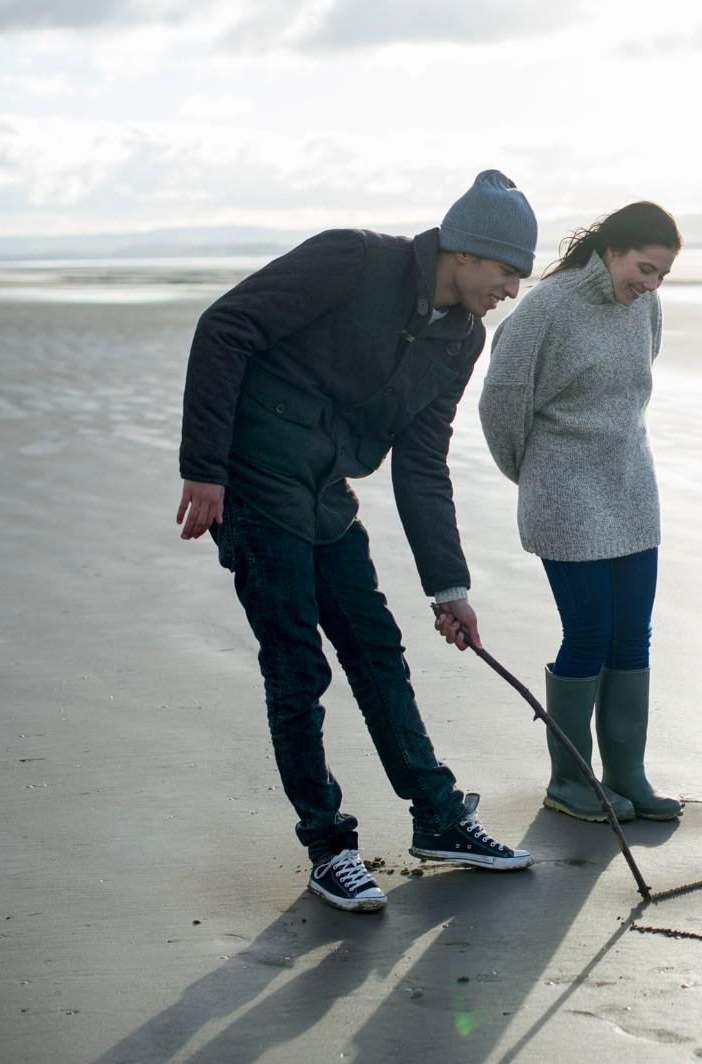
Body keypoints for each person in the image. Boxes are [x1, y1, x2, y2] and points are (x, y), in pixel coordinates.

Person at [176, 170, 536, 913]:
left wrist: (449, 588)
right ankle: (330, 848)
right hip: (255, 480)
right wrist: (204, 469)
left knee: (375, 649)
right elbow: (226, 327)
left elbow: (422, 463)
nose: (512, 288)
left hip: (326, 496)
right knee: (296, 668)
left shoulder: (459, 339)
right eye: (507, 271)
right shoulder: (351, 261)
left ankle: (438, 818)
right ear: (466, 252)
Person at [478, 201, 683, 823]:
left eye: (661, 276)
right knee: (589, 633)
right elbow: (500, 408)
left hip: (630, 488)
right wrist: (537, 477)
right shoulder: (545, 308)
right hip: (564, 494)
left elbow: (635, 387)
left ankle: (629, 776)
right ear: (612, 250)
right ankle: (570, 781)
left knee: (632, 634)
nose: (649, 286)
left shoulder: (644, 306)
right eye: (644, 269)